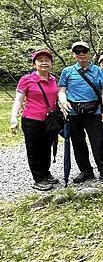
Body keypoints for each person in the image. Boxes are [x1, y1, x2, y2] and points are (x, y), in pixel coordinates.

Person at [58, 41, 103, 183]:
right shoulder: (67, 71)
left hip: (94, 111)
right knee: (78, 142)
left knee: (98, 142)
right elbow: (62, 90)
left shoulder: (97, 70)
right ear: (74, 54)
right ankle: (86, 171)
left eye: (84, 51)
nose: (81, 54)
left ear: (89, 53)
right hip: (74, 112)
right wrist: (63, 101)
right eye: (78, 52)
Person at [10, 50, 61, 190]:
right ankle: (38, 178)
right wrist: (13, 119)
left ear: (51, 63)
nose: (44, 62)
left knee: (46, 148)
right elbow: (18, 101)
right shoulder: (26, 79)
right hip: (31, 120)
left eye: (47, 60)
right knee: (34, 150)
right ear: (34, 64)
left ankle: (46, 173)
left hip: (49, 120)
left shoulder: (53, 79)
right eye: (40, 60)